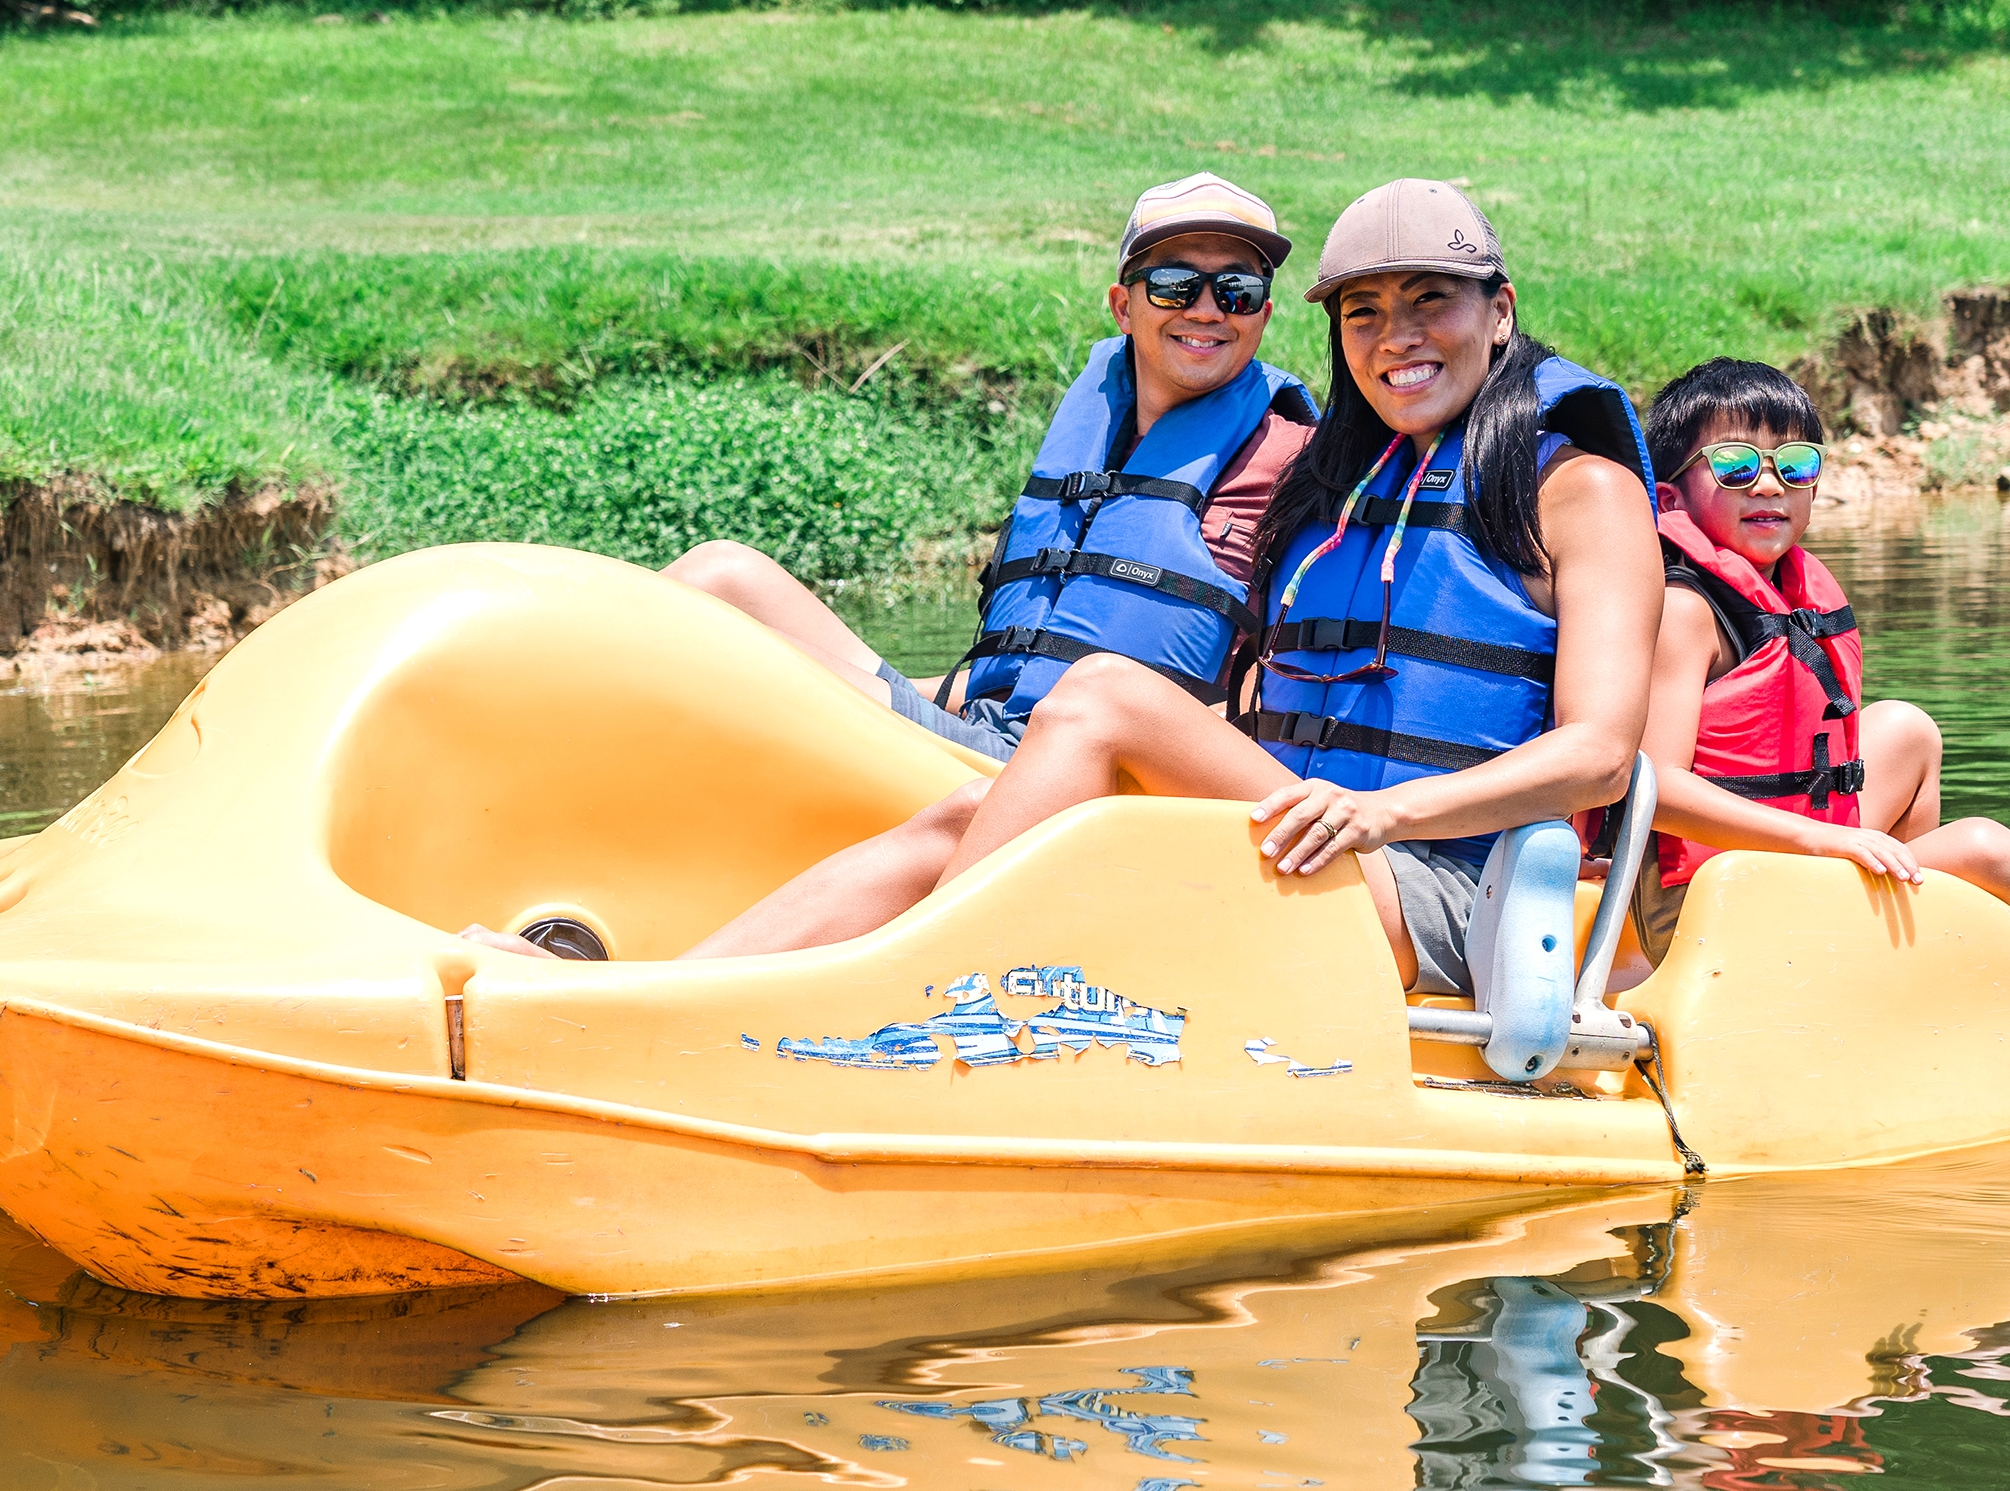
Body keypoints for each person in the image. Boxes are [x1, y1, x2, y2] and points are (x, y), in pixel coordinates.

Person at [663, 178, 1662, 993]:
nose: (1397, 335)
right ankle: (665, 992)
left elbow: (1602, 754)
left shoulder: (1580, 488)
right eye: (1367, 312)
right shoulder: (1336, 499)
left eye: (1430, 301)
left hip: (1441, 889)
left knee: (1103, 691)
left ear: (1501, 311)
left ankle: (900, 995)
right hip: (1304, 833)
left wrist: (1392, 814)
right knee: (966, 812)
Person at [476, 175, 1317, 961]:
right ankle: (536, 856)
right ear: (1123, 304)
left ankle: (647, 982)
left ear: (1264, 314)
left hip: (1066, 766)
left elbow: (1278, 675)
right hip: (980, 725)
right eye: (1176, 285)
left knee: (722, 659)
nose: (1207, 310)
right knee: (718, 574)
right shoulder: (1102, 421)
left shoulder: (1290, 461)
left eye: (1235, 291)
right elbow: (1034, 639)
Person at [1623, 357, 2010, 1035]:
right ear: (1670, 499)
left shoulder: (1795, 593)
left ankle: (1905, 972)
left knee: (1906, 730)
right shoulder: (1685, 611)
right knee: (1991, 852)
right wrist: (1817, 841)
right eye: (1734, 466)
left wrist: (1821, 844)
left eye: (1794, 465)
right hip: (1719, 910)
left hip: (1790, 868)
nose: (1768, 483)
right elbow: (1655, 789)